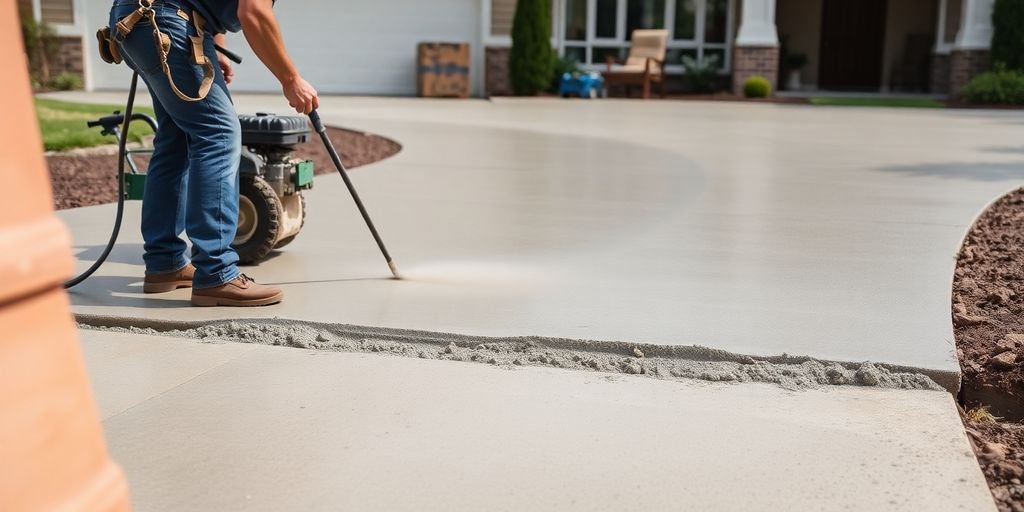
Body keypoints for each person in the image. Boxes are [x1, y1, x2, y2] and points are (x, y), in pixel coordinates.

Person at [108, 0, 318, 306]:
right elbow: (253, 12)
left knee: (176, 140)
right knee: (218, 134)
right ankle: (217, 273)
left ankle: (165, 263)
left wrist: (214, 45)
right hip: (164, 21)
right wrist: (291, 79)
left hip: (138, 21)